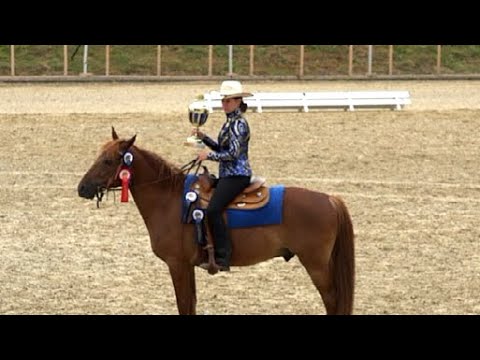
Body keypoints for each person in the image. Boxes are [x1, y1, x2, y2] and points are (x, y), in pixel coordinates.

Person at [193, 80, 253, 271]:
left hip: (237, 175)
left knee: (213, 210)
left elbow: (233, 154)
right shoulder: (230, 122)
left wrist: (207, 155)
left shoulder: (238, 125)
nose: (224, 104)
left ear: (237, 101)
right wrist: (205, 138)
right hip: (228, 174)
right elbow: (222, 148)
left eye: (228, 101)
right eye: (223, 100)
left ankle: (223, 257)